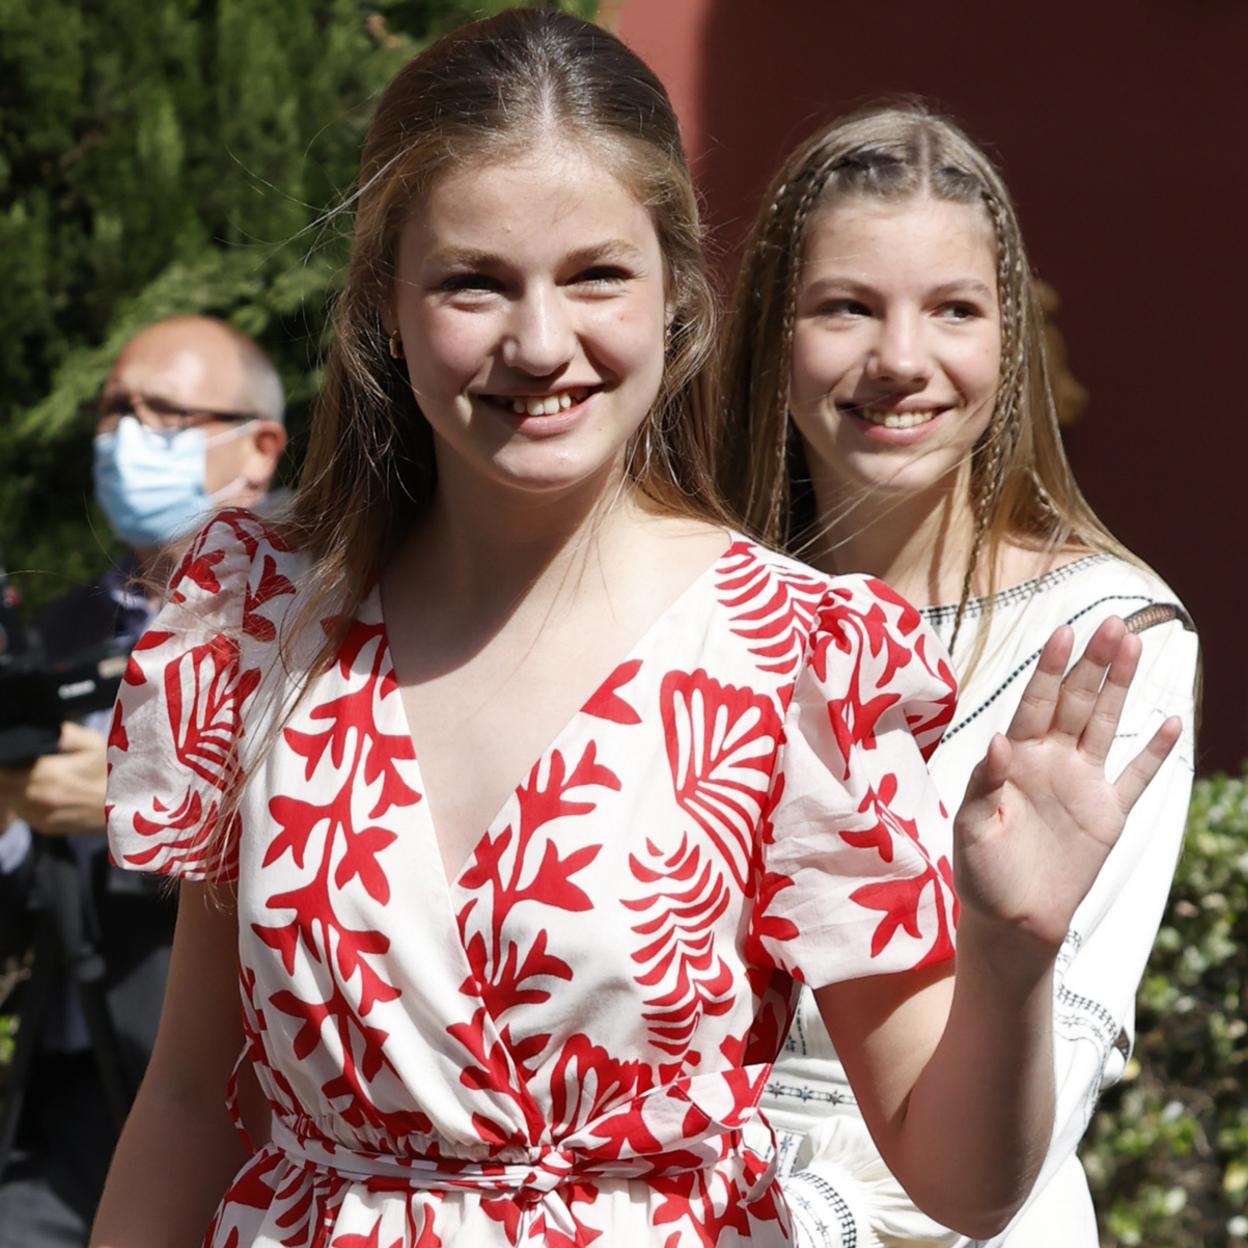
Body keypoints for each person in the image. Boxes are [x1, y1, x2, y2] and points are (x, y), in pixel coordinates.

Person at [89, 16, 1178, 1248]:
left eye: (596, 275)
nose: (541, 342)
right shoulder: (255, 621)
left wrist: (1012, 956)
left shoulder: (793, 659)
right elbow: (188, 1103)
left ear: (677, 295)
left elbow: (964, 1186)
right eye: (473, 281)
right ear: (385, 302)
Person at [717, 105, 1199, 1247]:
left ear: (1008, 344)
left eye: (954, 311)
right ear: (770, 335)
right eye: (845, 306)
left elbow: (1053, 1076)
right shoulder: (689, 601)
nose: (900, 360)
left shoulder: (1111, 637)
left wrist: (784, 1216)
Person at [0, 315, 286, 1248]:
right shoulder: (57, 631)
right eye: (113, 412)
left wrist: (132, 809)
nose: (125, 437)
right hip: (67, 1097)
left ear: (259, 445)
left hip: (249, 1102)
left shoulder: (320, 621)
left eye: (160, 415)